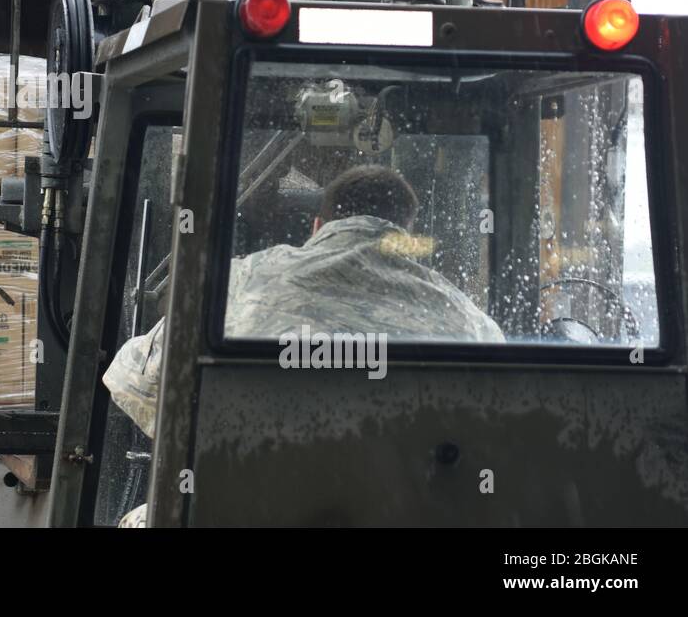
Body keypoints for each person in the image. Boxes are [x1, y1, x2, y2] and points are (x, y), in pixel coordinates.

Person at [102, 165, 503, 526]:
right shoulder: (466, 319)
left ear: (317, 226)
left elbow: (132, 379)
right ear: (408, 235)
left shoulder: (243, 280)